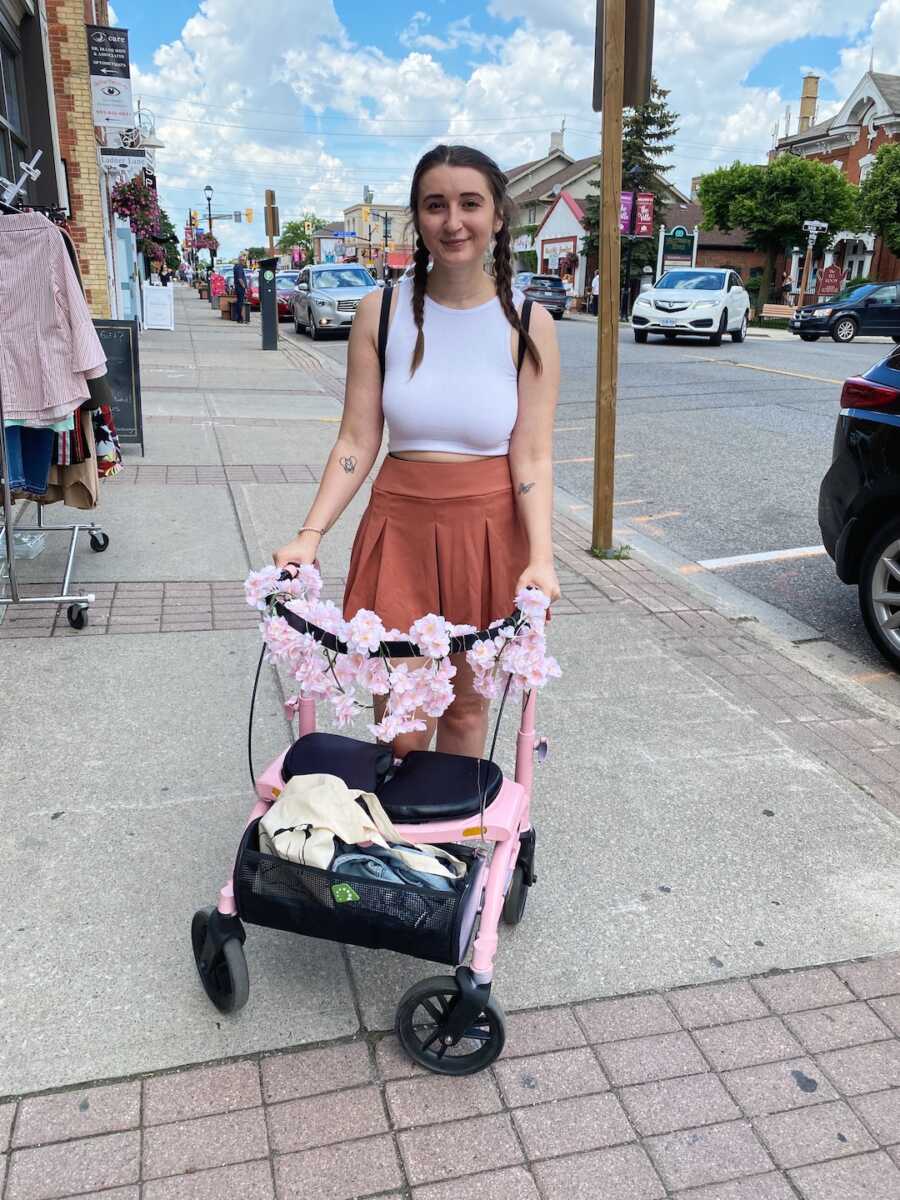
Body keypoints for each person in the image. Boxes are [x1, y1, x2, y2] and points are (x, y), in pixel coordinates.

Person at [273, 143, 561, 760]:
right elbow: (356, 439)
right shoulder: (381, 314)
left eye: (470, 204)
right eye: (435, 205)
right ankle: (403, 847)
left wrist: (541, 556)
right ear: (418, 217)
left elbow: (532, 455)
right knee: (401, 714)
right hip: (399, 527)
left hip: (487, 531)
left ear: (499, 216)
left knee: (465, 708)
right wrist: (310, 534)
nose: (453, 221)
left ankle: (453, 846)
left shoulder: (529, 322)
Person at [232, 253, 249, 323]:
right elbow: (240, 279)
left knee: (239, 302)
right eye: (243, 260)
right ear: (240, 260)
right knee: (240, 302)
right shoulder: (239, 267)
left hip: (237, 287)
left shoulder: (236, 266)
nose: (244, 261)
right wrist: (244, 287)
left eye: (244, 260)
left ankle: (239, 318)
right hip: (240, 288)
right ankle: (240, 318)